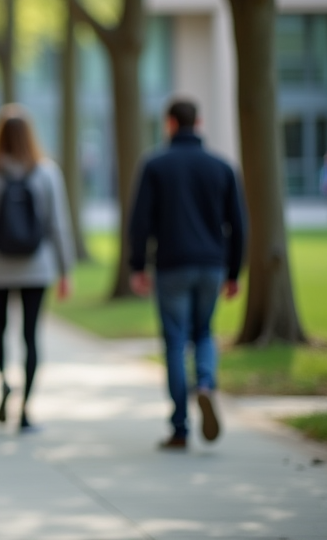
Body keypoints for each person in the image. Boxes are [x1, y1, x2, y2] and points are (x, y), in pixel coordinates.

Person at [128, 98, 245, 451]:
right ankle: (206, 384)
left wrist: (137, 266)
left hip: (171, 265)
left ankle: (180, 428)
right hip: (212, 264)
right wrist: (234, 271)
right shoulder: (221, 167)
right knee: (204, 332)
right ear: (200, 122)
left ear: (169, 124)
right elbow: (238, 225)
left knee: (176, 343)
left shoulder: (155, 165)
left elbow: (140, 222)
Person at [0, 105, 74, 434]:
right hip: (36, 266)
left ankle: (3, 382)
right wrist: (65, 269)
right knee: (31, 336)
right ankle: (26, 409)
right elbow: (59, 224)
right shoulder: (46, 172)